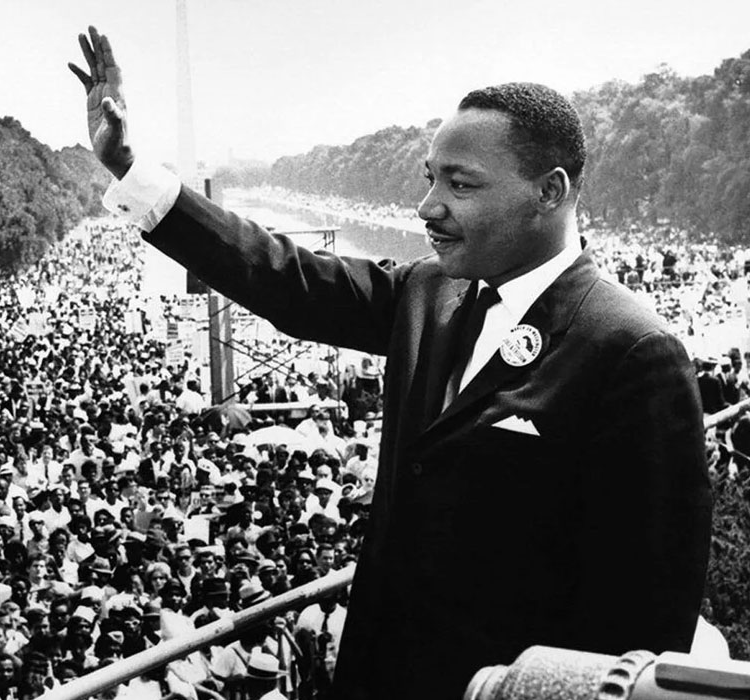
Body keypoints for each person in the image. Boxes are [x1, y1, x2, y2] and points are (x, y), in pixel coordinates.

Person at [69, 27, 712, 700]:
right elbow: (281, 277)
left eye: (460, 184)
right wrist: (132, 169)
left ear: (549, 192)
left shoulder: (632, 350)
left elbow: (640, 622)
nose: (428, 207)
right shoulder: (427, 291)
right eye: (431, 178)